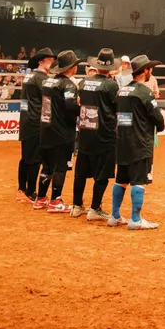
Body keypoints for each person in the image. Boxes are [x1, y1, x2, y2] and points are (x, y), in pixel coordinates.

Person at [109, 54, 165, 230]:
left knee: (121, 179)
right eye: (150, 69)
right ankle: (135, 219)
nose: (151, 72)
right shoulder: (145, 92)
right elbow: (158, 120)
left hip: (122, 141)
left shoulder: (122, 91)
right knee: (139, 180)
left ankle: (115, 215)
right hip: (140, 143)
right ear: (145, 71)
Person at [71, 51, 119, 221]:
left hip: (85, 131)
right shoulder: (111, 85)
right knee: (103, 174)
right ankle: (95, 208)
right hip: (104, 134)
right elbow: (116, 107)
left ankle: (76, 206)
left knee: (81, 172)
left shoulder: (84, 83)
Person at [37, 50, 80, 214]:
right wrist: (82, 109)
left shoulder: (48, 81)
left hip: (46, 128)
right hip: (62, 131)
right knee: (61, 166)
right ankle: (55, 200)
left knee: (46, 165)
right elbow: (70, 106)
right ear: (72, 67)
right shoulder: (68, 84)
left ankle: (41, 198)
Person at [17, 48, 54, 206]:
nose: (52, 62)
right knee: (35, 159)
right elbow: (48, 101)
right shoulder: (42, 78)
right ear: (41, 61)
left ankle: (21, 189)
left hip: (26, 120)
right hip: (36, 122)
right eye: (50, 59)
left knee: (26, 157)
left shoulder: (28, 76)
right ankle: (31, 192)